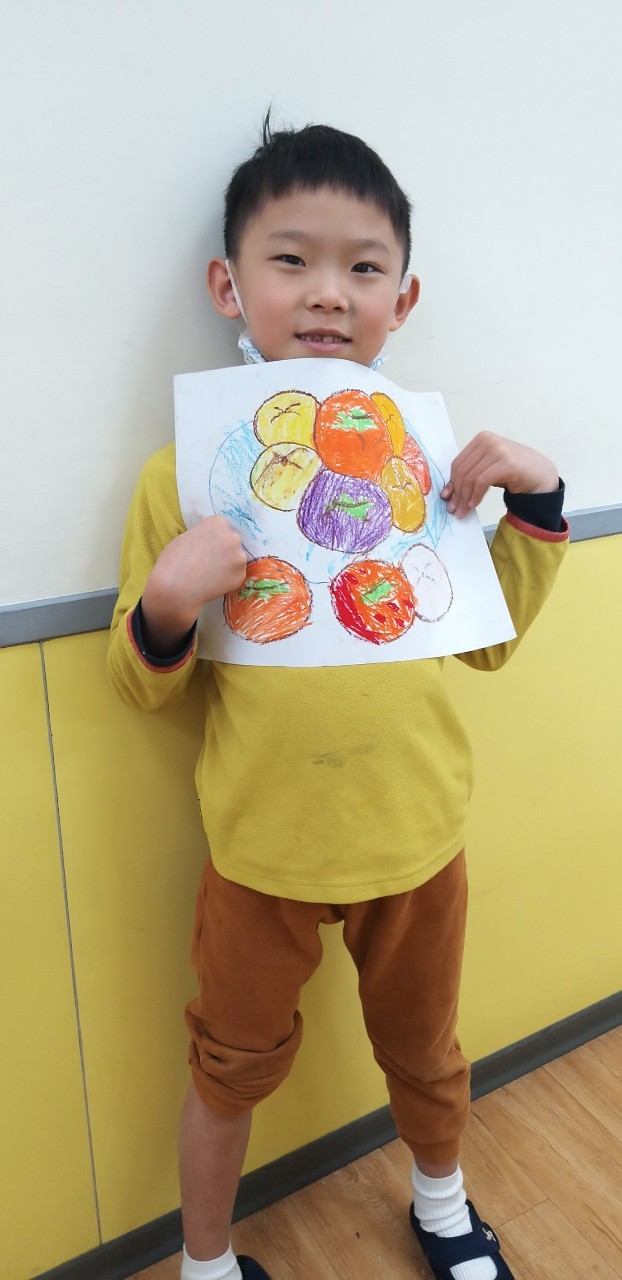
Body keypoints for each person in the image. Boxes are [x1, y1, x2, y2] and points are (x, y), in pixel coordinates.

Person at [108, 117, 569, 1280]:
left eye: (362, 267)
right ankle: (206, 1261)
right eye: (290, 259)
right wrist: (165, 601)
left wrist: (538, 505)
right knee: (228, 1063)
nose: (327, 292)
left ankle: (443, 1205)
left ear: (401, 301)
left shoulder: (424, 461)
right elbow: (138, 681)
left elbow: (485, 648)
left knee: (426, 1048)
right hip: (260, 850)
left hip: (416, 839)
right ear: (228, 285)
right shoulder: (184, 472)